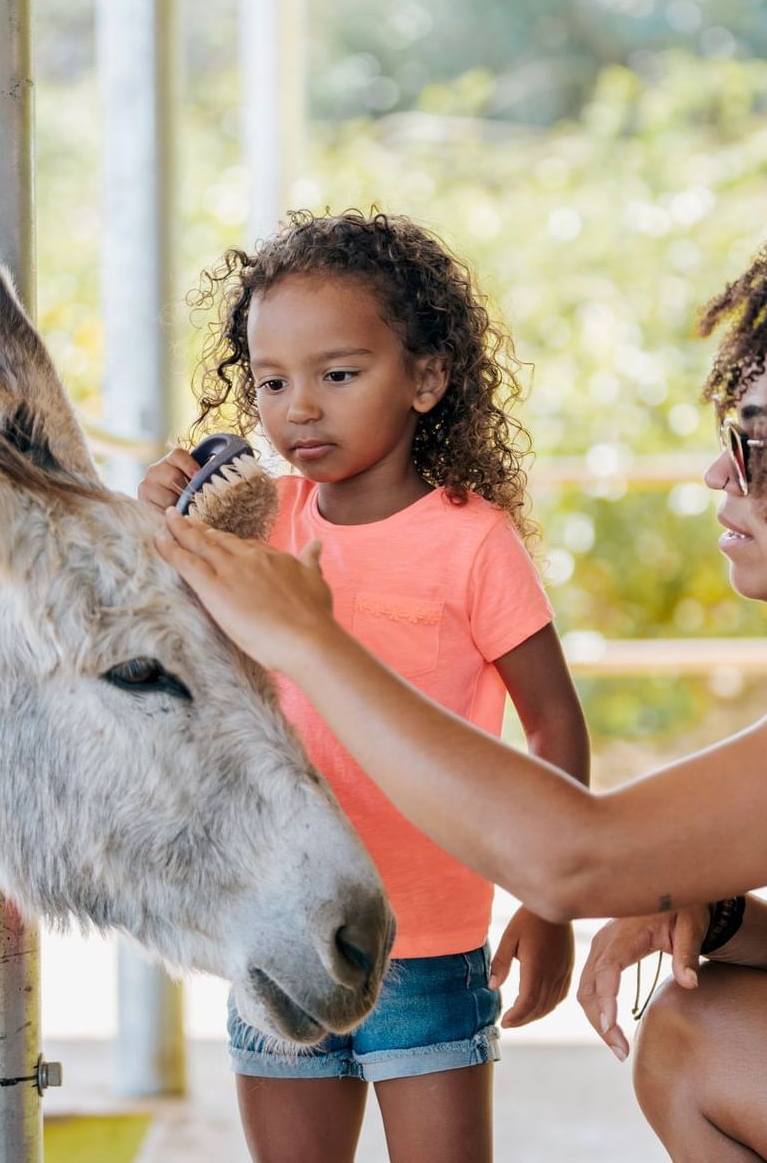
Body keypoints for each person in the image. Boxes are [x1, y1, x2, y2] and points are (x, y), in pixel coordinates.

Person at [154, 198, 767, 1163]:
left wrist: (314, 642)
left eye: (755, 439)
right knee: (696, 1026)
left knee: (696, 1027)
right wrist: (733, 918)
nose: (721, 475)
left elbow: (574, 858)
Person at [137, 209, 590, 1163]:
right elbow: (154, 648)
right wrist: (160, 525)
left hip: (428, 945)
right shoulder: (254, 521)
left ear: (425, 378)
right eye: (271, 381)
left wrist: (547, 907)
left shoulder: (473, 541)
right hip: (278, 923)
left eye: (337, 375)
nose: (298, 407)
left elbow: (552, 723)